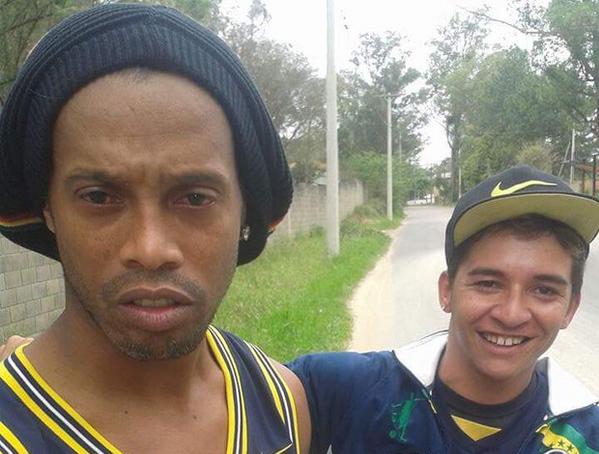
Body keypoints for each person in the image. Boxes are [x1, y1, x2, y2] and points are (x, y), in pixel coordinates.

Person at [0, 4, 310, 453]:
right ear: (48, 208)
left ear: (244, 211)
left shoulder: (281, 403)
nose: (150, 248)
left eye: (196, 198)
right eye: (100, 197)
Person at [289, 165, 599, 453]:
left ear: (570, 308)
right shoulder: (341, 388)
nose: (512, 314)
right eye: (488, 284)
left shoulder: (588, 436)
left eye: (544, 290)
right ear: (447, 290)